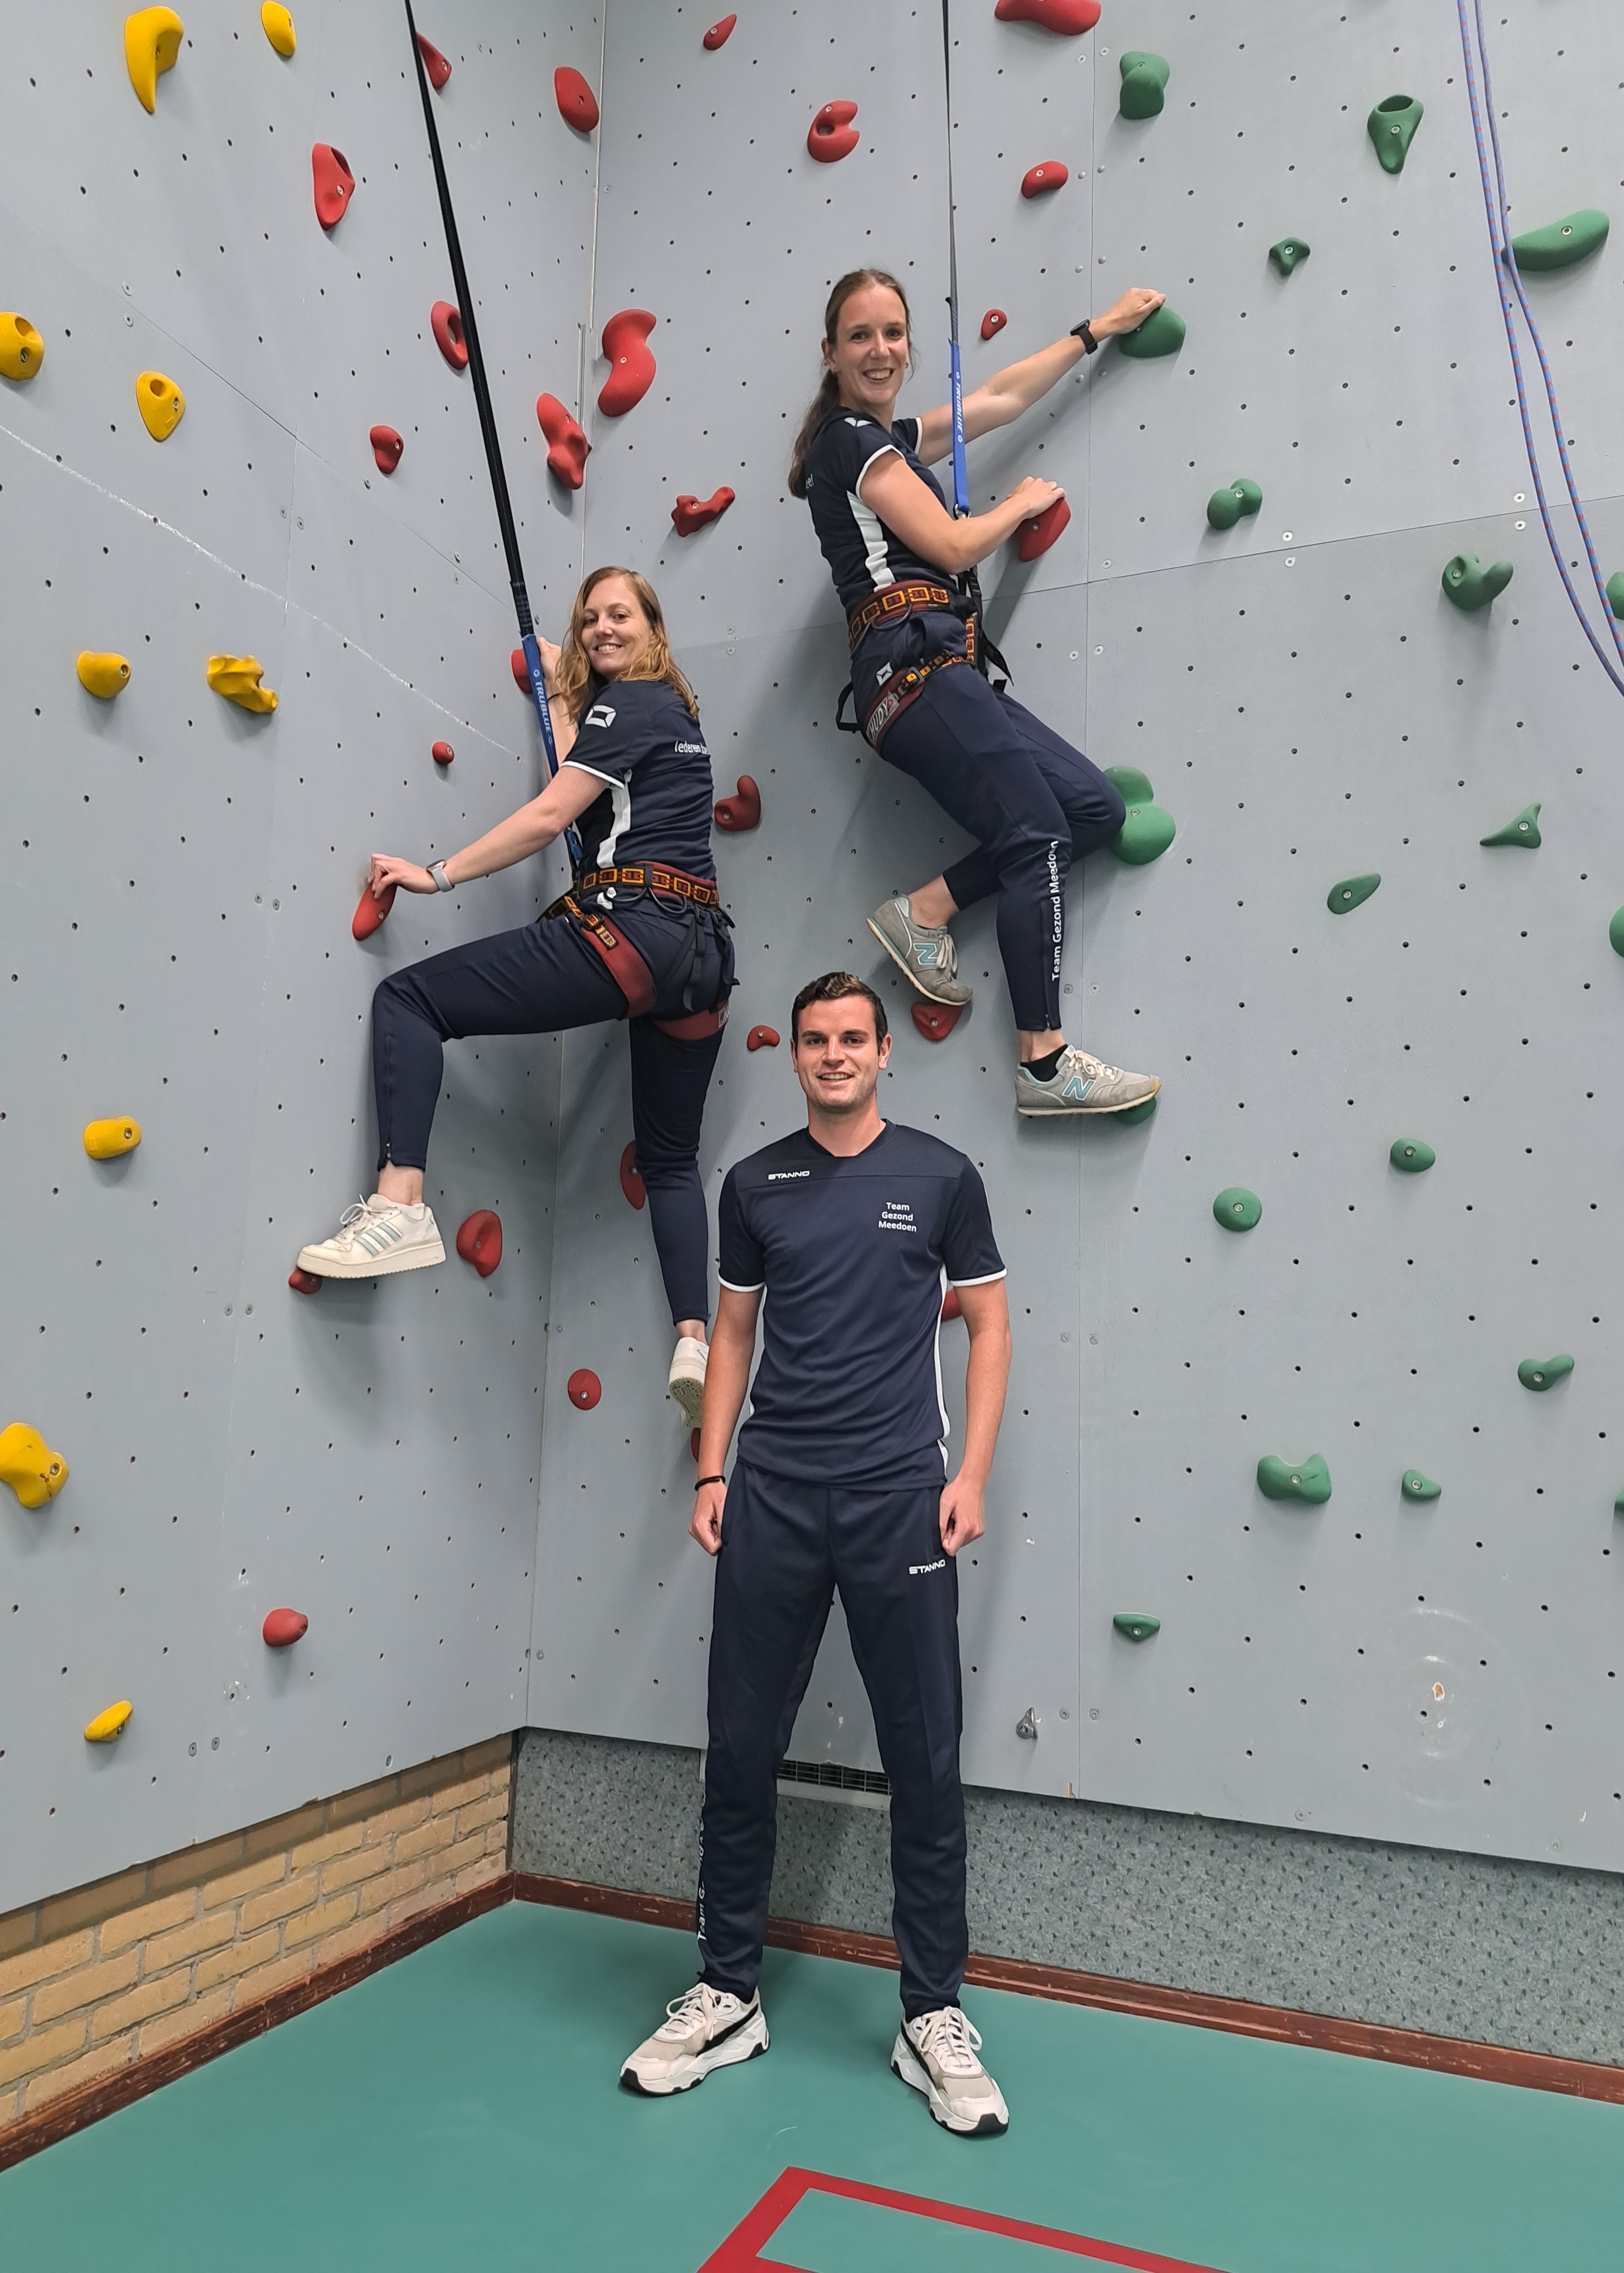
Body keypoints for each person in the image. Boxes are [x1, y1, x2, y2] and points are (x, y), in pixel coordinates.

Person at [620, 972, 1014, 2135]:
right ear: (794, 1056)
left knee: (924, 1759)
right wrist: (711, 1467)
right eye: (815, 1040)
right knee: (740, 1746)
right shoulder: (756, 1183)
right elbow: (732, 1331)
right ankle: (728, 1990)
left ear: (887, 1051)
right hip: (775, 1497)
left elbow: (989, 1323)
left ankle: (931, 2013)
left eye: (854, 1037)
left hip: (901, 1497)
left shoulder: (943, 1177)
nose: (834, 1054)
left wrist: (972, 1476)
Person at [293, 568, 734, 1426]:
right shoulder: (676, 718)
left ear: (655, 627)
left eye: (621, 615)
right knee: (671, 1159)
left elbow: (548, 813)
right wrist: (558, 684)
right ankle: (695, 1338)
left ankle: (401, 1207)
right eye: (590, 618)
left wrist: (437, 873)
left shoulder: (633, 703)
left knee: (410, 1003)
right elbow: (584, 783)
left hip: (628, 933)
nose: (604, 627)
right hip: (702, 961)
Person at [791, 267, 1166, 1118]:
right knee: (1034, 833)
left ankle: (926, 911)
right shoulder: (848, 442)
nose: (881, 350)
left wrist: (1095, 328)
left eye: (894, 333)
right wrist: (1021, 503)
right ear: (831, 354)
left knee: (1091, 813)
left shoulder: (888, 439)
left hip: (941, 671)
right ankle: (1043, 1061)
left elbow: (997, 397)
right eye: (860, 336)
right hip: (910, 667)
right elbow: (956, 548)